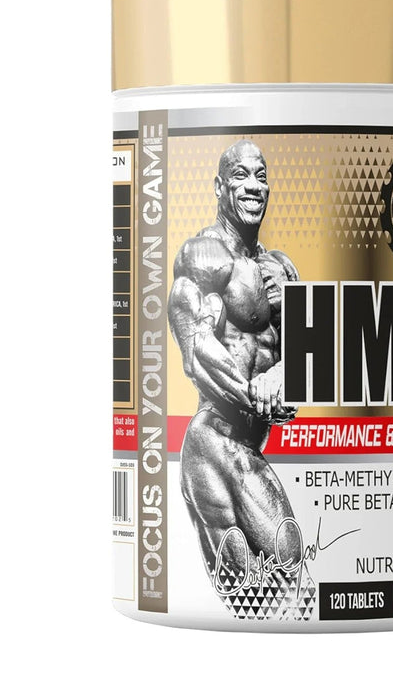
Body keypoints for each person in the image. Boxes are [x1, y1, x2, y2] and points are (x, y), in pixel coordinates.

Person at [168, 140, 314, 619]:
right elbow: (196, 352)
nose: (253, 186)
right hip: (213, 441)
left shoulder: (282, 269)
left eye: (261, 175)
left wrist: (285, 373)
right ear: (219, 186)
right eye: (240, 175)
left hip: (248, 445)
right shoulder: (205, 257)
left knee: (263, 605)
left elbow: (311, 358)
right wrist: (258, 394)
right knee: (290, 571)